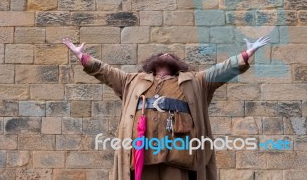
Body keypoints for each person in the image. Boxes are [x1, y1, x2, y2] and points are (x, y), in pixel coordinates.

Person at [63, 36, 270, 180]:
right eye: (162, 53)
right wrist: (82, 57)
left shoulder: (196, 82)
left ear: (178, 64)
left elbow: (222, 71)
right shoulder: (131, 80)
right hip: (142, 154)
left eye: (170, 54)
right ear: (151, 63)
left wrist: (245, 54)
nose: (166, 53)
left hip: (178, 155)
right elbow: (104, 71)